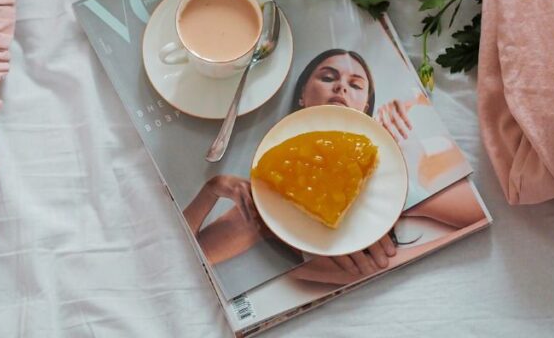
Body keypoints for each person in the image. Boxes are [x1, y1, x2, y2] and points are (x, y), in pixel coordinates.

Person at [182, 49, 483, 279]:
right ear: (302, 94)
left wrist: (392, 263)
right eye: (328, 78)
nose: (341, 87)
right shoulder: (270, 197)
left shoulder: (401, 161)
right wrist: (213, 188)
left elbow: (478, 218)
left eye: (355, 85)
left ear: (366, 105)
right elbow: (187, 259)